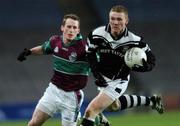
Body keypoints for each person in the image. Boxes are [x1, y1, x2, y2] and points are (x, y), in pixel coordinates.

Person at [80, 5, 164, 126]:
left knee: (91, 111)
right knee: (113, 107)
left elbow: (151, 60)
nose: (115, 22)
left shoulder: (134, 40)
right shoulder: (96, 34)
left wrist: (145, 67)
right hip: (103, 77)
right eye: (112, 18)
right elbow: (90, 55)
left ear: (126, 20)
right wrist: (97, 75)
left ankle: (101, 121)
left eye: (119, 19)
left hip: (119, 80)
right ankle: (152, 101)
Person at [17, 14, 90, 126]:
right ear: (62, 27)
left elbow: (97, 63)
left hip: (72, 97)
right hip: (53, 91)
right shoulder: (55, 41)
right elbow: (43, 49)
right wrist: (29, 52)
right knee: (33, 124)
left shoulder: (84, 49)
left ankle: (92, 122)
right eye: (69, 27)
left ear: (78, 30)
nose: (71, 30)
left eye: (74, 28)